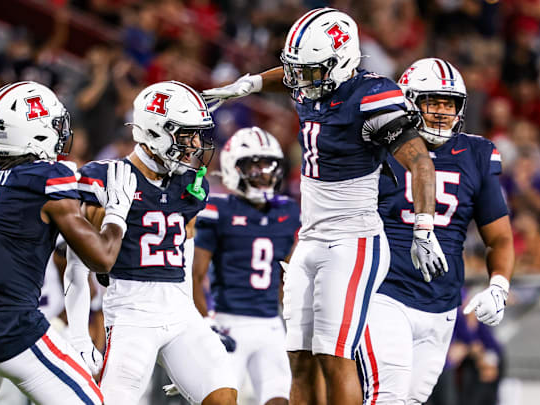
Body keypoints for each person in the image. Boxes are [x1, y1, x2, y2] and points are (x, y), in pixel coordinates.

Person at [201, 8, 445, 405]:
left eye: (312, 71)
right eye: (300, 70)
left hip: (353, 240)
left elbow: (420, 162)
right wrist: (249, 84)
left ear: (342, 62)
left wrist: (423, 226)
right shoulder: (314, 81)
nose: (302, 81)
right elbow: (291, 79)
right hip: (312, 238)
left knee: (335, 356)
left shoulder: (371, 96)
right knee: (298, 357)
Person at [0, 80, 136, 405]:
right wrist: (117, 213)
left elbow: (16, 204)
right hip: (13, 328)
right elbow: (103, 258)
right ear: (32, 131)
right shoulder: (46, 180)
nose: (60, 131)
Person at [65, 80, 238, 405]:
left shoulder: (187, 182)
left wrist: (197, 314)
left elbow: (185, 250)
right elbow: (77, 264)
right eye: (187, 134)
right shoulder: (107, 177)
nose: (196, 144)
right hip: (132, 315)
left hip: (180, 312)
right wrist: (78, 336)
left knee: (224, 396)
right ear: (156, 131)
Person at [356, 58, 514, 405]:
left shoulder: (476, 153)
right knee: (386, 397)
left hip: (443, 305)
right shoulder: (378, 149)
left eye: (450, 103)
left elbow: (499, 236)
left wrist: (499, 286)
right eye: (432, 102)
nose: (442, 112)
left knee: (411, 400)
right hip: (385, 294)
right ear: (409, 102)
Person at [192, 126, 300, 405]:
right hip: (228, 322)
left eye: (268, 165)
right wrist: (205, 324)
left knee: (279, 399)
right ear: (233, 167)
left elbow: (287, 279)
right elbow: (195, 275)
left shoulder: (287, 212)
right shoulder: (218, 210)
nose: (262, 172)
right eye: (253, 165)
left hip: (271, 325)